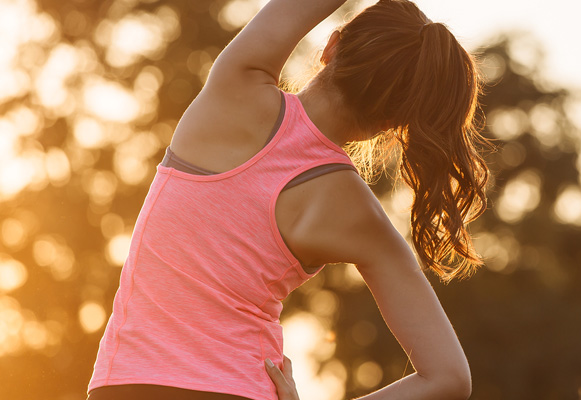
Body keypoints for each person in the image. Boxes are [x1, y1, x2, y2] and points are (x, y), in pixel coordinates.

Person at [86, 0, 491, 399]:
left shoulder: (237, 85)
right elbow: (448, 377)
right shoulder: (359, 214)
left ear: (331, 46)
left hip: (124, 386)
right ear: (393, 122)